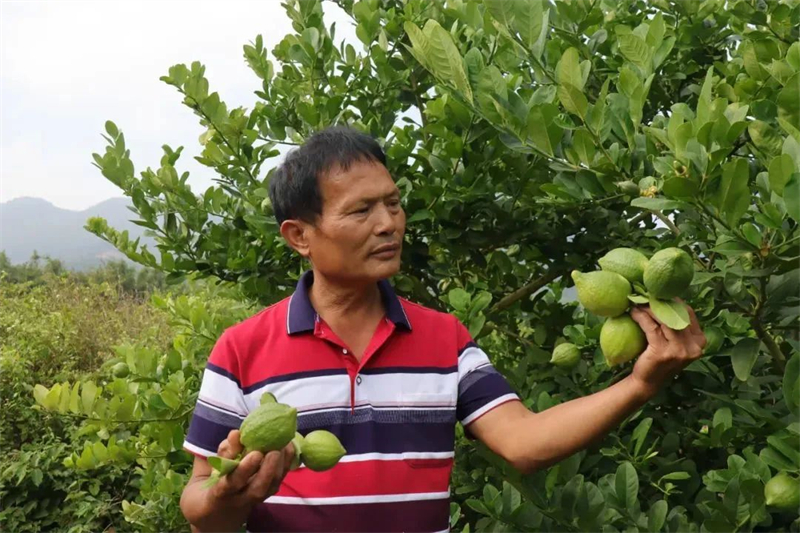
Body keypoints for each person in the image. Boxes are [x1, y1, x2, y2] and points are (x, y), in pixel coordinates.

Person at [179, 126, 706, 532]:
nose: (389, 223)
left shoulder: (443, 338)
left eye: (392, 202)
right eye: (361, 210)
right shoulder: (245, 347)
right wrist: (232, 496)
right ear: (299, 236)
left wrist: (641, 384)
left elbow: (524, 442)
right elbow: (201, 505)